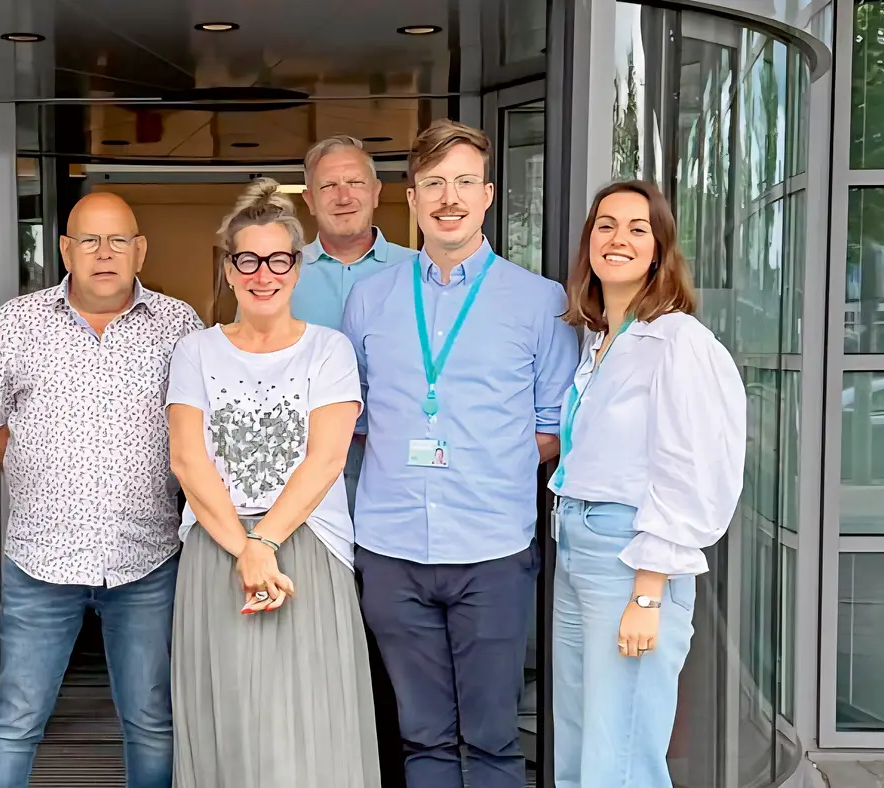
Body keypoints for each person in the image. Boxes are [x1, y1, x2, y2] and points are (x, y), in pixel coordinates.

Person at [341, 119, 578, 788]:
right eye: (435, 184)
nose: (450, 198)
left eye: (464, 183)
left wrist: (486, 461)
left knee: (496, 740)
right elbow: (355, 414)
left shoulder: (540, 302)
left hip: (493, 551)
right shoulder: (369, 300)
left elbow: (556, 423)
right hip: (391, 551)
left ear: (489, 195)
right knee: (422, 741)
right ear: (411, 198)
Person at [0, 192, 203, 788]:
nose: (105, 254)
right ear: (65, 250)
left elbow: (198, 428)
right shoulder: (18, 321)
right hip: (41, 558)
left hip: (146, 560)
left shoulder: (180, 326)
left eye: (119, 240)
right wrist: (45, 478)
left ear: (140, 250)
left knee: (151, 720)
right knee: (15, 719)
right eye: (90, 241)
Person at [167, 178, 381, 788]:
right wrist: (244, 548)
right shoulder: (195, 351)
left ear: (297, 267)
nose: (264, 274)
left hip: (308, 547)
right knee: (230, 715)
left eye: (279, 260)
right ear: (229, 270)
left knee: (311, 720)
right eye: (248, 260)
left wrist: (264, 545)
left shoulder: (329, 350)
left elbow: (326, 459)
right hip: (218, 549)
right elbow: (188, 460)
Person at [548, 180, 745, 788]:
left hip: (631, 556)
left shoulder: (678, 341)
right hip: (577, 543)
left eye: (638, 228)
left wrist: (650, 591)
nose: (619, 239)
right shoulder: (599, 339)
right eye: (606, 225)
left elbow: (695, 470)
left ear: (659, 249)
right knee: (581, 745)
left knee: (624, 754)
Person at [295, 133, 414, 787]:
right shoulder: (279, 275)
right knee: (312, 644)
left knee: (387, 645)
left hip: (391, 493)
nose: (343, 195)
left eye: (355, 183)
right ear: (310, 200)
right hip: (306, 498)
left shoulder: (416, 274)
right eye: (329, 185)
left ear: (377, 194)